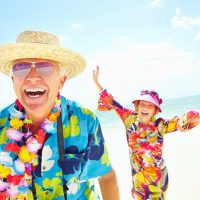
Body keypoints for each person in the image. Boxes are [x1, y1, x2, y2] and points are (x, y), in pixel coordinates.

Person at [0, 30, 120, 200]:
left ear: (61, 81)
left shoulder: (85, 120)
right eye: (21, 68)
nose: (32, 77)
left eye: (45, 68)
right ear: (13, 81)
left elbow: (106, 177)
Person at [93, 66, 200, 200]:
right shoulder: (129, 119)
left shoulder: (161, 124)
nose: (145, 107)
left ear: (155, 110)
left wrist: (187, 122)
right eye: (142, 104)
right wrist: (97, 83)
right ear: (137, 106)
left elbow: (184, 120)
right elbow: (110, 101)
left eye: (150, 105)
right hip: (138, 181)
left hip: (158, 180)